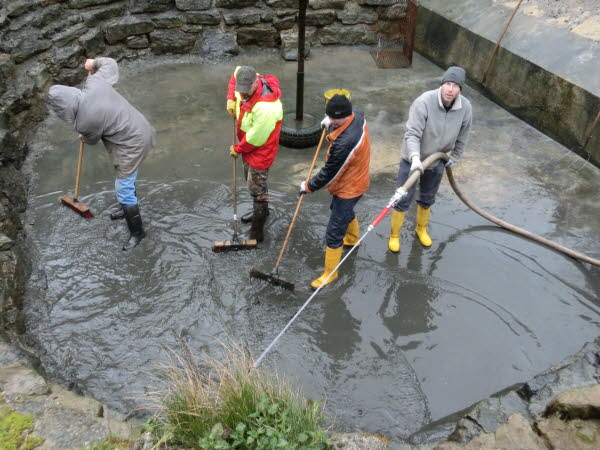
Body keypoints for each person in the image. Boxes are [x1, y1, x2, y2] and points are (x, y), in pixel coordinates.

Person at [48, 57, 156, 251]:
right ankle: (126, 209)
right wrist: (94, 63)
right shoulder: (94, 82)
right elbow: (110, 64)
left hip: (131, 145)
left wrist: (83, 135)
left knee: (123, 187)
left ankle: (138, 233)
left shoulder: (84, 121)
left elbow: (91, 140)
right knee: (128, 181)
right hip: (141, 128)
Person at [388, 66, 472, 253]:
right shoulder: (424, 102)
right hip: (413, 159)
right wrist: (415, 158)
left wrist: (455, 157)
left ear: (460, 89)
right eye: (447, 84)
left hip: (438, 160)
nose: (450, 89)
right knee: (403, 197)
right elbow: (412, 134)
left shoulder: (465, 108)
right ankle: (394, 235)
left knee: (427, 197)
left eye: (455, 86)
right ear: (442, 85)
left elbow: (463, 136)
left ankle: (421, 229)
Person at [300, 94, 370, 289]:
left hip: (350, 186)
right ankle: (353, 240)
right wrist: (330, 122)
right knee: (343, 211)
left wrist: (308, 186)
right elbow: (353, 112)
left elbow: (330, 173)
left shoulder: (346, 143)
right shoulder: (357, 114)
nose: (330, 121)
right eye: (328, 116)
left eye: (333, 118)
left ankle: (330, 273)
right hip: (356, 179)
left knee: (334, 231)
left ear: (344, 116)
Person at [226, 65, 283, 242]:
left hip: (260, 151)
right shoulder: (243, 75)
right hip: (247, 146)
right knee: (250, 182)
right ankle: (262, 213)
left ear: (255, 82)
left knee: (257, 188)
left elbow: (256, 138)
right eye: (239, 92)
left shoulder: (267, 108)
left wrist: (238, 149)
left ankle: (257, 233)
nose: (241, 95)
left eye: (245, 91)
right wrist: (230, 99)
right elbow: (234, 77)